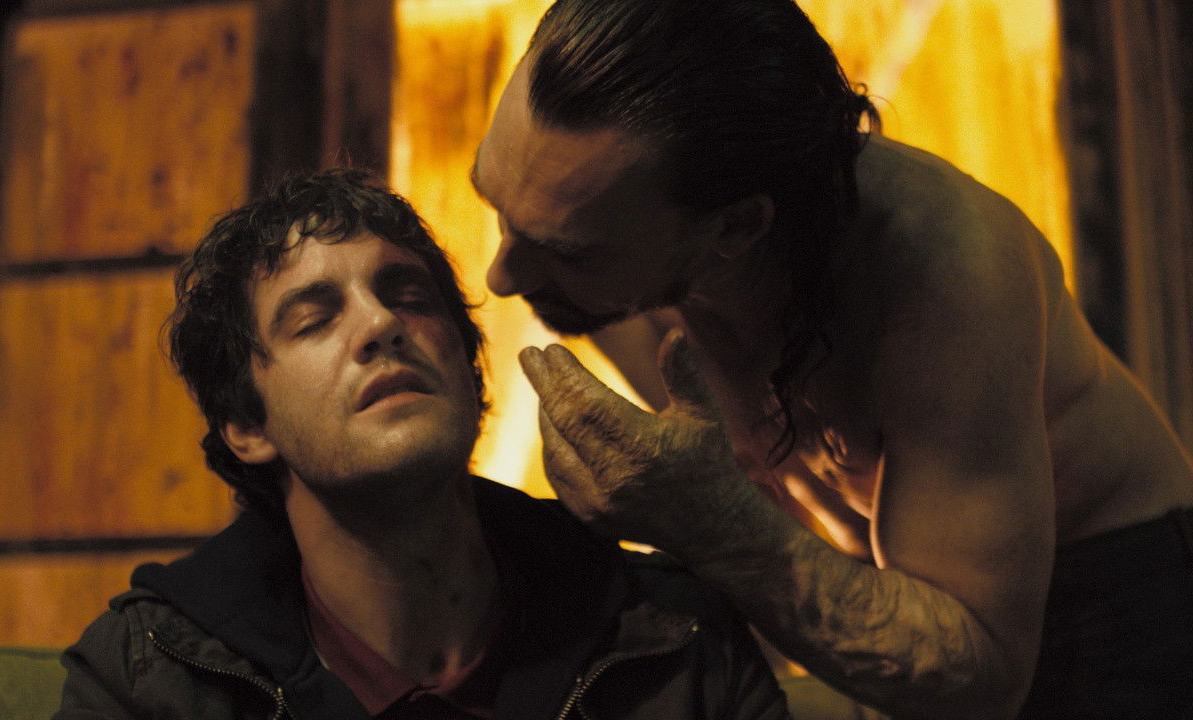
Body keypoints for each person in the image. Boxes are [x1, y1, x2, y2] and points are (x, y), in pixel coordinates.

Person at [469, 1, 1193, 718]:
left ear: (737, 229)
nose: (503, 276)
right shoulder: (609, 229)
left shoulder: (945, 270)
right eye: (499, 211)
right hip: (899, 608)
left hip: (1113, 596)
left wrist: (710, 522)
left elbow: (983, 680)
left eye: (569, 253)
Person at [55, 168, 790, 719]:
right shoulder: (151, 677)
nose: (381, 325)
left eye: (408, 297)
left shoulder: (674, 641)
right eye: (314, 320)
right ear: (248, 427)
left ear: (468, 369)